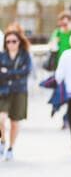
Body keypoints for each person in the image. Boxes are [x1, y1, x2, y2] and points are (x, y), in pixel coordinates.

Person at [0, 29, 33, 161]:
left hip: (19, 92)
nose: (11, 44)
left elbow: (25, 72)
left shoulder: (25, 56)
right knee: (1, 119)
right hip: (4, 91)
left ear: (19, 42)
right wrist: (14, 73)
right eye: (8, 42)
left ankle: (10, 148)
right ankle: (3, 140)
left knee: (15, 122)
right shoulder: (2, 56)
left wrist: (7, 72)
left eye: (14, 41)